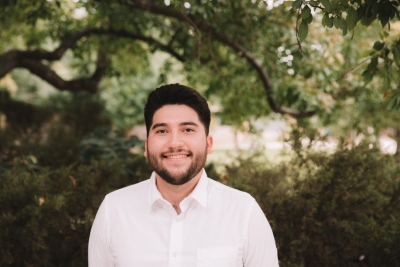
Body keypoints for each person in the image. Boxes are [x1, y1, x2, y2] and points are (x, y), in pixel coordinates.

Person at [88, 84, 279, 267]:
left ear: (208, 143)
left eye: (187, 130)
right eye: (162, 131)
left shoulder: (244, 212)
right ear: (146, 146)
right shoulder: (113, 210)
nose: (174, 143)